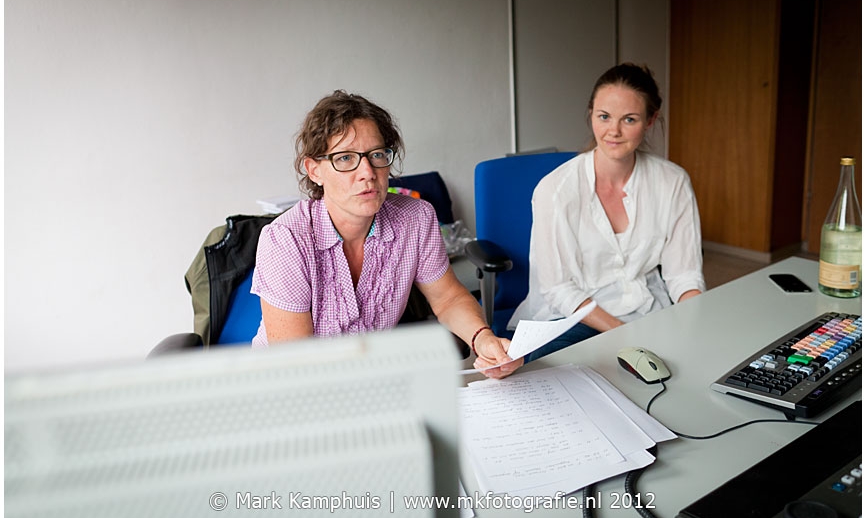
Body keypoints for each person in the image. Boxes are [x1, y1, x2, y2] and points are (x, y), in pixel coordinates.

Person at [250, 90, 521, 378]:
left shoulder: (416, 219)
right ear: (314, 170)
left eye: (377, 154)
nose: (368, 172)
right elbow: (297, 366)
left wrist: (483, 340)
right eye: (345, 158)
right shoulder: (286, 240)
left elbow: (448, 299)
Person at [511, 63, 706, 362]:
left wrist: (692, 325)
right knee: (555, 376)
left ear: (650, 120)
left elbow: (684, 275)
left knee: (693, 367)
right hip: (573, 318)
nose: (613, 131)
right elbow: (559, 290)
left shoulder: (672, 182)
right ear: (591, 114)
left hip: (647, 310)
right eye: (604, 116)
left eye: (629, 119)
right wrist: (627, 337)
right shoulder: (556, 190)